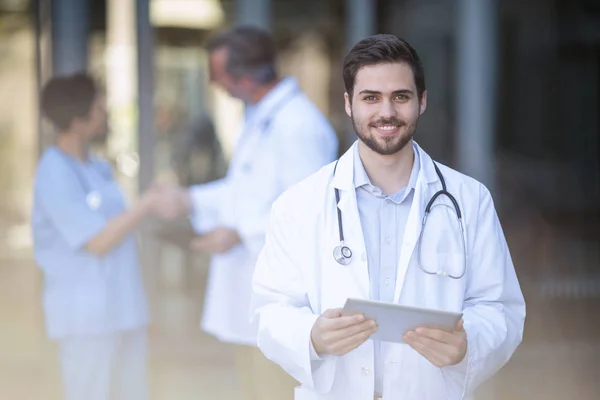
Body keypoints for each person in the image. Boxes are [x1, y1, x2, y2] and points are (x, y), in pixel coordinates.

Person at [250, 34, 526, 399]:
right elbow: (269, 310)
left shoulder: (469, 200)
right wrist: (311, 335)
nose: (387, 112)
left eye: (401, 96)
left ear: (422, 101)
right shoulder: (299, 204)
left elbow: (500, 308)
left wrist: (467, 344)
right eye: (370, 98)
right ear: (349, 104)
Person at [167, 25, 338, 400]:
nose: (216, 85)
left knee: (272, 389)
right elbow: (246, 191)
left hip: (285, 300)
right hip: (255, 292)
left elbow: (308, 210)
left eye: (218, 75)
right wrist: (190, 199)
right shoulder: (262, 117)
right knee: (253, 385)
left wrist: (239, 232)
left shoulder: (298, 125)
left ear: (245, 77)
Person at [31, 73, 177, 400]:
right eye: (98, 106)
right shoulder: (53, 171)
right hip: (86, 318)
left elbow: (120, 230)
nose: (104, 112)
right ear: (77, 117)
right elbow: (97, 241)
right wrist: (146, 205)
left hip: (125, 310)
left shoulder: (97, 167)